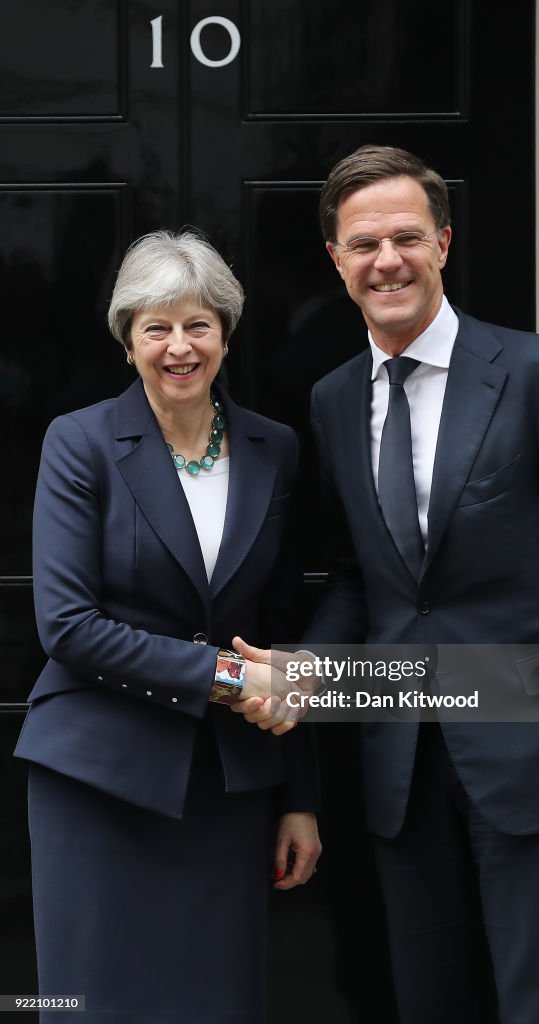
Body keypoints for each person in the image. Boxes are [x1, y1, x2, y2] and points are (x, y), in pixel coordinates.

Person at [234, 145, 539, 1023]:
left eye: (403, 238)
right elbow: (363, 576)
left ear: (442, 243)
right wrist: (307, 666)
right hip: (399, 762)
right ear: (335, 261)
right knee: (429, 1004)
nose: (384, 260)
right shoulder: (329, 398)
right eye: (362, 244)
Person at [15, 229, 321, 1023]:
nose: (179, 346)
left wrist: (300, 797)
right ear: (128, 343)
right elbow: (69, 626)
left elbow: (283, 628)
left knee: (217, 1002)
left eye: (198, 325)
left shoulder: (274, 450)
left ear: (225, 334)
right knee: (91, 1003)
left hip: (228, 789)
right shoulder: (78, 443)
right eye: (156, 327)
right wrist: (228, 678)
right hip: (98, 778)